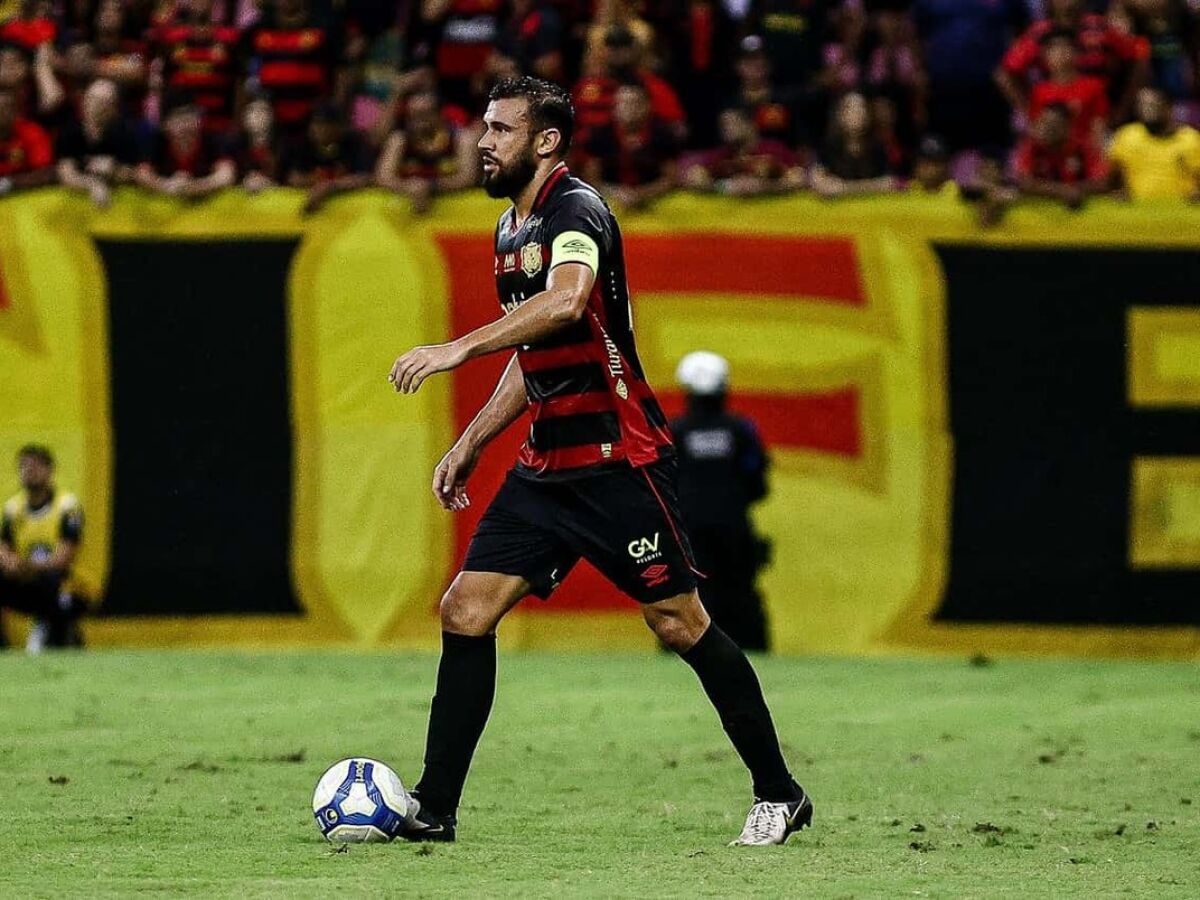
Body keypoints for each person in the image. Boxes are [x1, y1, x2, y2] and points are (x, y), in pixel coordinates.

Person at [386, 75, 811, 847]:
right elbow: (533, 347)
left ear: (545, 140)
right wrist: (472, 442)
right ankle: (435, 807)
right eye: (484, 127)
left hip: (619, 461)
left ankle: (779, 793)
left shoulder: (575, 210)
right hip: (547, 467)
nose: (483, 141)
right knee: (465, 610)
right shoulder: (510, 230)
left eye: (500, 129)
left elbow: (568, 301)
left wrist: (454, 347)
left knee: (678, 622)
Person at [670, 352, 772, 652]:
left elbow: (662, 483)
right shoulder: (741, 431)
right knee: (740, 596)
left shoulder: (674, 432)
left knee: (688, 600)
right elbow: (758, 483)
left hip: (687, 534)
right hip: (735, 531)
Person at [1, 445, 86, 652]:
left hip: (68, 585)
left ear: (50, 470)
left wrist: (24, 566)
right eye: (24, 466)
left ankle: (61, 634)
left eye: (35, 465)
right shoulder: (13, 509)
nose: (29, 471)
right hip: (29, 581)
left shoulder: (67, 506)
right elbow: (3, 548)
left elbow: (62, 560)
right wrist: (8, 562)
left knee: (54, 585)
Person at [375, 87, 480, 213]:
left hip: (456, 214)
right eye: (412, 116)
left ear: (440, 114)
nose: (417, 122)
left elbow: (467, 178)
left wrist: (430, 187)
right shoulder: (400, 139)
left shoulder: (463, 138)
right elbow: (383, 177)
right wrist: (408, 188)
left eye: (423, 115)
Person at [581, 80, 678, 209]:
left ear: (648, 106)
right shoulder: (600, 135)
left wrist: (642, 194)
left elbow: (670, 179)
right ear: (614, 108)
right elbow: (591, 179)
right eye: (623, 103)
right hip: (611, 200)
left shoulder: (663, 135)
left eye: (635, 103)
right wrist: (616, 193)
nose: (629, 109)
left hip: (654, 202)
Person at [679, 105, 803, 196]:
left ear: (750, 125)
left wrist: (765, 188)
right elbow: (692, 177)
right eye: (723, 125)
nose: (726, 129)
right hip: (733, 225)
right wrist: (724, 187)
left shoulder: (774, 149)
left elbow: (798, 178)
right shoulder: (720, 154)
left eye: (731, 123)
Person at [54, 78, 140, 207]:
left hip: (119, 208)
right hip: (74, 207)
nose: (97, 107)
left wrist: (114, 170)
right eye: (93, 99)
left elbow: (133, 173)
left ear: (115, 109)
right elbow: (66, 175)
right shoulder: (69, 132)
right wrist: (94, 185)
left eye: (105, 102)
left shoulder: (125, 133)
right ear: (84, 101)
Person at [1021, 28, 1110, 149]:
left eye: (1066, 47)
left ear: (1077, 53)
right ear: (1045, 56)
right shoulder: (1039, 92)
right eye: (1054, 48)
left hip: (1084, 156)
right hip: (1051, 157)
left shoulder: (1094, 87)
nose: (1061, 52)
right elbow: (1036, 131)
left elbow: (1099, 128)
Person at [1108, 85, 1200, 201]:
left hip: (1181, 213)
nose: (1145, 110)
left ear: (1168, 107)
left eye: (1152, 105)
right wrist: (1118, 192)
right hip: (1137, 213)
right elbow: (1112, 179)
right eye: (1141, 105)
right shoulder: (1127, 136)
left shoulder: (1191, 139)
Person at [134, 97, 236, 197]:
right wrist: (165, 186)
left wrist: (195, 187)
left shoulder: (213, 139)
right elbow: (142, 175)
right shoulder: (155, 141)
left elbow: (226, 175)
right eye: (179, 119)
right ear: (165, 125)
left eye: (190, 117)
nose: (185, 125)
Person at [1012, 101, 1107, 208]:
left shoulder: (1084, 147)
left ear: (1067, 128)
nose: (1044, 130)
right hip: (1041, 211)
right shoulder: (1031, 146)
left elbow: (1102, 182)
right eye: (1042, 122)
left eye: (1052, 125)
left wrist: (1075, 190)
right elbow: (1024, 183)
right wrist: (1060, 191)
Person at [809, 90, 899, 197]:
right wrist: (872, 186)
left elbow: (889, 183)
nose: (857, 112)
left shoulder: (877, 146)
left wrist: (844, 188)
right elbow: (818, 182)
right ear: (840, 115)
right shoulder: (828, 146)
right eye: (850, 108)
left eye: (861, 108)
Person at [0, 84, 55, 196]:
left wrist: (10, 183)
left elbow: (47, 172)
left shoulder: (32, 131)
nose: (3, 114)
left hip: (25, 197)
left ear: (16, 112)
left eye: (7, 108)